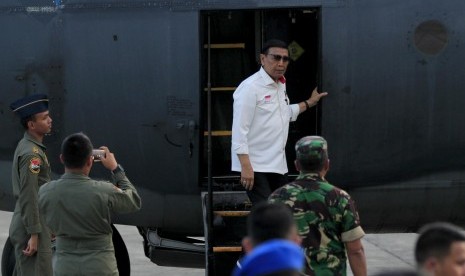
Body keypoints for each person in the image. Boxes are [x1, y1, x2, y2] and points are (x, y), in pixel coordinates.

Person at [231, 39, 328, 205]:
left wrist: (309, 103)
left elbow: (283, 113)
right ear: (262, 59)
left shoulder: (280, 85)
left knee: (281, 212)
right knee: (268, 213)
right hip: (256, 165)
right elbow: (239, 130)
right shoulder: (250, 88)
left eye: (285, 59)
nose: (281, 63)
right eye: (276, 58)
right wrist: (245, 166)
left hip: (277, 164)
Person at [38, 132, 141, 276]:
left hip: (65, 267)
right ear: (90, 161)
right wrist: (115, 168)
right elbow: (134, 201)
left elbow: (45, 226)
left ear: (62, 159)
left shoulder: (46, 192)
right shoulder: (104, 190)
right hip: (100, 267)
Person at [269, 136, 367, 276]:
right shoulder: (341, 198)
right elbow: (355, 250)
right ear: (327, 164)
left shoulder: (276, 198)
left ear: (296, 165)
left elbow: (268, 247)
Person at [8, 93, 53, 275]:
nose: (50, 120)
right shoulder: (31, 155)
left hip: (33, 222)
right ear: (31, 125)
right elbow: (29, 194)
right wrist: (34, 234)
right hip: (31, 226)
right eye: (44, 118)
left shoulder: (30, 146)